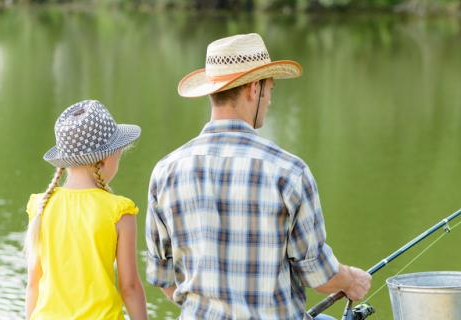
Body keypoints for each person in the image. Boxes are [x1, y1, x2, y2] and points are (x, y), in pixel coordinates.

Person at [145, 33, 371, 319]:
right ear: (254, 89)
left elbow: (163, 278)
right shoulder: (289, 172)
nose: (270, 101)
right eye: (270, 89)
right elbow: (319, 276)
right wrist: (351, 280)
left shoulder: (165, 172)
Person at [24, 100, 148, 320]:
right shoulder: (120, 211)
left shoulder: (41, 205)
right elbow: (129, 287)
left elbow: (33, 282)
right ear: (106, 159)